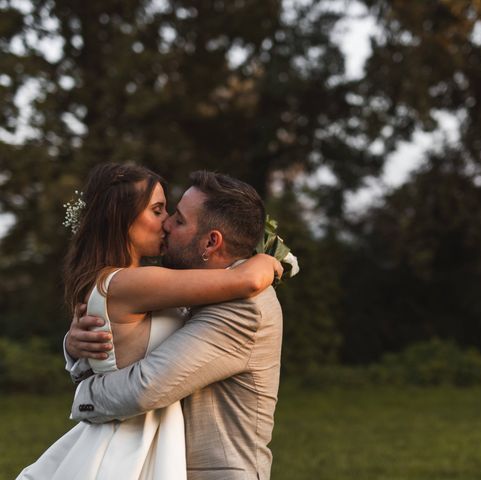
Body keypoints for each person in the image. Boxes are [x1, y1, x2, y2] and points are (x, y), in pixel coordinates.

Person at [17, 163, 282, 480]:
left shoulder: (243, 307)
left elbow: (146, 387)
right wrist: (76, 349)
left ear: (211, 242)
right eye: (160, 211)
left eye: (177, 218)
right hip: (139, 453)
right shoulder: (149, 284)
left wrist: (84, 391)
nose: (167, 224)